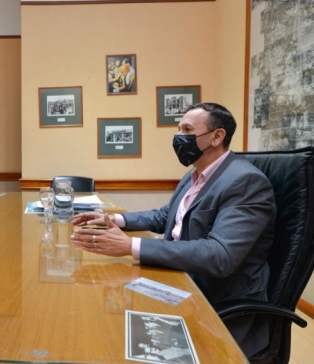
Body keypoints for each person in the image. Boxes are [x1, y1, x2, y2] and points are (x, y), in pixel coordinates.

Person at [71, 102, 275, 357]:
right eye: (178, 129)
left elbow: (221, 255)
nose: (179, 137)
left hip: (214, 300)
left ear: (217, 136)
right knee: (104, 317)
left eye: (187, 130)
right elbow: (168, 216)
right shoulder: (195, 174)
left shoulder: (246, 181)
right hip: (179, 279)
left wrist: (129, 246)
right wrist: (113, 219)